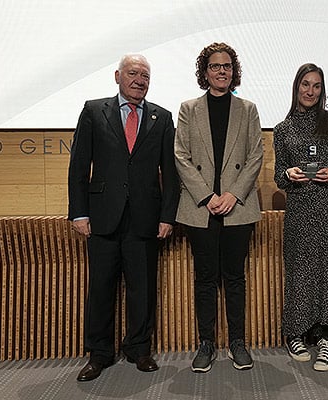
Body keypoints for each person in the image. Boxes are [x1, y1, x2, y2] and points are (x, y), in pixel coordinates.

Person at [68, 54, 179, 381]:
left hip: (146, 218)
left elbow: (170, 174)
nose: (139, 80)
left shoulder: (162, 117)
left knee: (142, 288)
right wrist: (79, 211)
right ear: (118, 75)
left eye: (145, 75)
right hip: (102, 217)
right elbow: (78, 167)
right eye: (133, 73)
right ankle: (99, 353)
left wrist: (167, 216)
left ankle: (138, 348)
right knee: (101, 288)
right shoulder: (93, 110)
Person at [174, 42, 263, 373]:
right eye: (215, 66)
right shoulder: (188, 109)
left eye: (227, 66)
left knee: (235, 277)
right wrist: (207, 196)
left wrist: (233, 195)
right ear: (205, 71)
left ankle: (237, 342)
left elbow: (256, 155)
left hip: (237, 208)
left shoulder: (248, 109)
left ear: (233, 71)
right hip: (201, 208)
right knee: (205, 278)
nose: (221, 71)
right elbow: (181, 155)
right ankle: (207, 343)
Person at [273, 63, 328, 372]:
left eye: (317, 86)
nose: (310, 91)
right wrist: (288, 172)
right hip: (299, 210)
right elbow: (278, 175)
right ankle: (296, 333)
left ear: (322, 90)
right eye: (305, 85)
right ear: (296, 87)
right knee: (300, 271)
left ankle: (326, 337)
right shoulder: (283, 129)